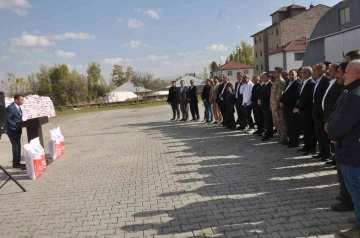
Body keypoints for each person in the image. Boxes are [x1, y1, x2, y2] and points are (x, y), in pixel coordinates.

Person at [326, 59, 360, 238]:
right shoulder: (352, 91)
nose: (343, 74)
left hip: (353, 150)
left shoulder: (355, 95)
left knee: (356, 188)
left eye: (346, 71)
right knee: (354, 188)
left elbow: (344, 123)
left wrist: (332, 132)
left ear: (356, 73)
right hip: (351, 148)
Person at [293, 66, 317, 155]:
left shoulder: (311, 83)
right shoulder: (304, 82)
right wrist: (297, 106)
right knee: (305, 130)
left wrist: (300, 108)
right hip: (302, 111)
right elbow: (301, 97)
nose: (300, 74)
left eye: (302, 72)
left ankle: (311, 148)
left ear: (307, 73)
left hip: (307, 111)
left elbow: (308, 99)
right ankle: (306, 145)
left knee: (310, 130)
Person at [312, 63, 330, 161]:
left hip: (322, 111)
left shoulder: (325, 81)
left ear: (321, 70)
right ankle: (322, 152)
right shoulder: (317, 81)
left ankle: (327, 153)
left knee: (324, 134)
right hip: (316, 111)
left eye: (315, 70)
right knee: (318, 133)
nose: (313, 72)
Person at [280, 70, 301, 148]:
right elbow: (284, 94)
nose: (291, 76)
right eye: (289, 74)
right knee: (289, 125)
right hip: (286, 108)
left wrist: (284, 102)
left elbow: (295, 96)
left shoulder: (297, 84)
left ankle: (295, 142)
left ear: (296, 75)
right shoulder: (288, 83)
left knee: (294, 125)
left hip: (292, 107)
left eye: (292, 74)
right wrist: (281, 101)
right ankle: (291, 140)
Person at [6, 94, 25, 169]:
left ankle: (17, 162)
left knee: (18, 146)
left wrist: (23, 123)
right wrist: (16, 125)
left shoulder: (18, 107)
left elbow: (18, 118)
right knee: (16, 146)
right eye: (21, 100)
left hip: (17, 129)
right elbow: (8, 119)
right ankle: (16, 164)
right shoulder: (11, 108)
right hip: (12, 130)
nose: (22, 101)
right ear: (16, 100)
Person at [271, 67, 287, 144]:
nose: (274, 73)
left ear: (280, 73)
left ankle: (284, 137)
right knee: (276, 122)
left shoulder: (281, 82)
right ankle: (280, 136)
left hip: (277, 106)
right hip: (273, 105)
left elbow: (280, 94)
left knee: (281, 122)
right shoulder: (275, 81)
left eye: (276, 72)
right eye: (274, 72)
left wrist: (277, 104)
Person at [258, 72, 273, 141]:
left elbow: (269, 95)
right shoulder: (263, 85)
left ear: (268, 77)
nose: (263, 78)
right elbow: (261, 94)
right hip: (263, 105)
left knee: (269, 120)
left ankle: (269, 133)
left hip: (268, 104)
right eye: (262, 77)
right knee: (266, 120)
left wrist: (262, 101)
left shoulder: (270, 85)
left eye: (264, 77)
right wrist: (259, 100)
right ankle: (268, 131)